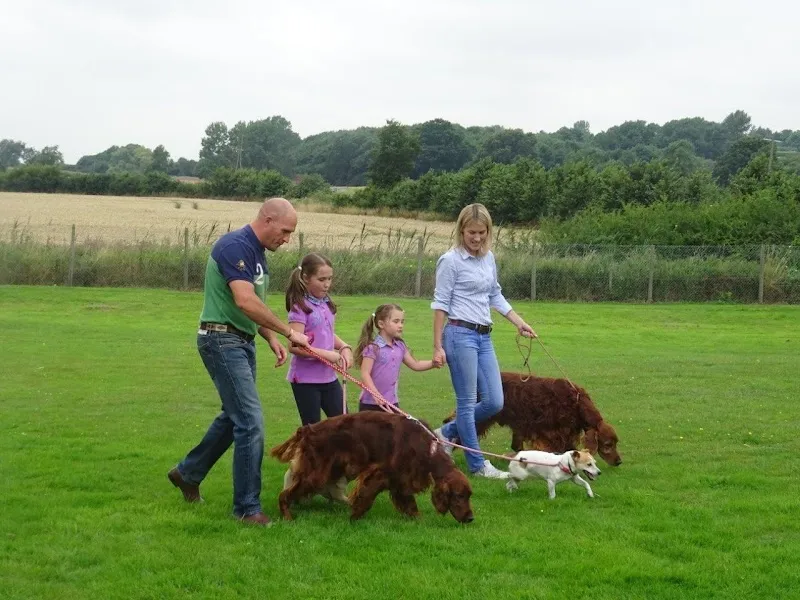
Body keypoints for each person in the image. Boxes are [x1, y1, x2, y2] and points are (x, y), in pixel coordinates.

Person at [167, 197, 310, 526]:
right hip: (221, 340)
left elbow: (252, 306)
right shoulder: (235, 246)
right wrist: (289, 332)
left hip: (240, 341)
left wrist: (270, 337)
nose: (287, 239)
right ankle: (247, 509)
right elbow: (244, 301)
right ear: (268, 219)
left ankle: (187, 473)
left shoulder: (258, 255)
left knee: (235, 419)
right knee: (251, 422)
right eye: (286, 231)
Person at [431, 203, 536, 479]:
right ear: (461, 231)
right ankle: (478, 466)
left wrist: (518, 321)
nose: (476, 238)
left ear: (488, 232)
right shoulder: (450, 261)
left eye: (482, 232)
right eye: (471, 233)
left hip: (483, 336)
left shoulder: (488, 258)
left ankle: (445, 435)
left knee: (495, 402)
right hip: (458, 334)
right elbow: (440, 304)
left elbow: (494, 295)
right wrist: (437, 345)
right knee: (466, 403)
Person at [285, 252, 353, 425]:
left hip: (328, 378)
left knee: (345, 426)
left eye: (329, 279)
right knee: (312, 431)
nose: (327, 284)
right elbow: (294, 346)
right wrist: (327, 354)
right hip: (306, 380)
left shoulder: (325, 303)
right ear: (306, 278)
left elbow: (326, 332)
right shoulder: (300, 307)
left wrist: (344, 346)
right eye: (321, 280)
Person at [355, 303, 438, 412]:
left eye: (402, 322)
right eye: (396, 321)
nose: (401, 325)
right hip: (371, 404)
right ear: (381, 324)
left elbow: (415, 364)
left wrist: (433, 363)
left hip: (392, 403)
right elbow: (365, 374)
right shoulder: (373, 348)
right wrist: (375, 393)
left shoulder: (400, 346)